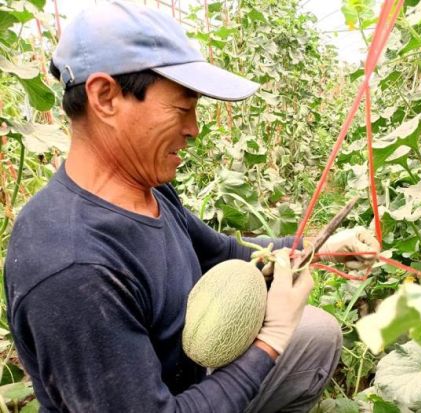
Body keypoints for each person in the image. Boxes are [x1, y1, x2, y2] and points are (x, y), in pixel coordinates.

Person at [4, 2, 379, 412]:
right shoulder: (72, 269)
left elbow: (226, 254)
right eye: (183, 108)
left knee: (315, 335)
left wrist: (322, 246)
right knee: (291, 335)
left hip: (193, 379)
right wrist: (270, 338)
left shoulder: (148, 190)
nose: (194, 129)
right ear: (105, 96)